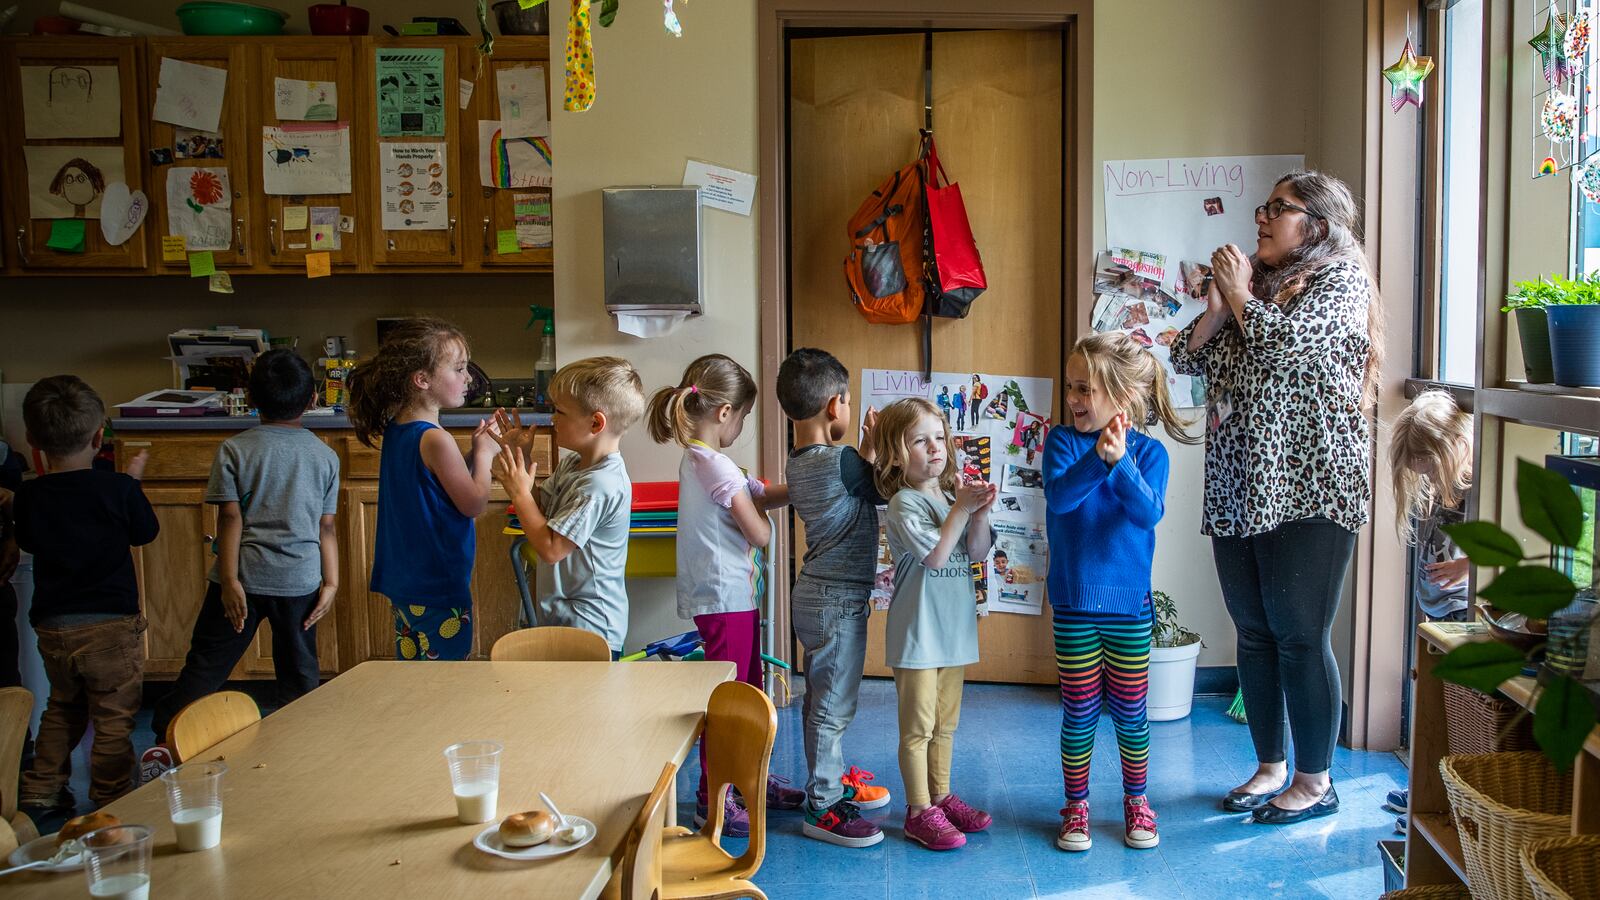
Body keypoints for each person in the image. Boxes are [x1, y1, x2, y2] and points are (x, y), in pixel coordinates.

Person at [1169, 170, 1383, 824]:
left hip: (1310, 485)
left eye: (1278, 208)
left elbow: (1292, 351)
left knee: (1299, 633)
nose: (1261, 217)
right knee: (1255, 633)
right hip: (1242, 481)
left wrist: (1236, 295)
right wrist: (1215, 309)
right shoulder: (1254, 288)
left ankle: (1316, 781)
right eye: (1264, 207)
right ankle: (1270, 767)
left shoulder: (1340, 280)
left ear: (1314, 224)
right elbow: (1185, 359)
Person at [143, 351, 340, 775]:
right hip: (301, 581)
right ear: (311, 401)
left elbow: (230, 518)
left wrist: (230, 580)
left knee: (205, 668)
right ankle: (300, 755)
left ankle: (164, 739)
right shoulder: (325, 456)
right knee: (300, 678)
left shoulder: (234, 449)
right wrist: (331, 583)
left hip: (242, 580)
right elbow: (327, 527)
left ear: (251, 398)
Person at [1043, 332, 1199, 853]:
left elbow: (1148, 512)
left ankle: (1137, 801)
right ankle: (1077, 806)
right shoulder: (1062, 443)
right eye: (1071, 387)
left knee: (1132, 713)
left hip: (1129, 610)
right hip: (1073, 606)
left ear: (1122, 397)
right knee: (1080, 712)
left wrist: (1120, 461)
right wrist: (1098, 460)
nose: (1073, 399)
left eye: (1085, 389)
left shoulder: (1150, 454)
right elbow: (1062, 499)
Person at [646, 354, 802, 836]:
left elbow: (760, 493)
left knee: (749, 692)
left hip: (728, 597)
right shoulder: (715, 466)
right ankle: (713, 798)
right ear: (724, 413)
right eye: (744, 416)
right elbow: (759, 534)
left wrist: (806, 485)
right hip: (724, 598)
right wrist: (769, 520)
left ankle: (749, 778)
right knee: (730, 702)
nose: (743, 425)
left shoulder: (704, 459)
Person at [14, 376, 158, 812]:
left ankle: (41, 785)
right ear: (100, 437)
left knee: (63, 706)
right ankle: (112, 794)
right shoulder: (116, 489)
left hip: (54, 625)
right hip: (110, 626)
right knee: (114, 715)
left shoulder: (28, 495)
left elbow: (33, 542)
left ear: (33, 441)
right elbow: (145, 532)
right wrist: (132, 483)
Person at [776, 348, 892, 848]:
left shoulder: (800, 460)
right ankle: (822, 805)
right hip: (837, 601)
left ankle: (830, 777)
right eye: (847, 401)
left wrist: (861, 447)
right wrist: (880, 444)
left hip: (815, 596)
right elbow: (882, 487)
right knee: (832, 705)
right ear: (834, 406)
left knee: (822, 699)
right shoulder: (842, 462)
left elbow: (851, 485)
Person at [872, 397, 997, 851]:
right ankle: (918, 809)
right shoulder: (903, 503)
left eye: (939, 438)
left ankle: (941, 795)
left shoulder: (948, 499)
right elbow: (937, 555)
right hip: (919, 635)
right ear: (897, 452)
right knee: (918, 727)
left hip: (953, 631)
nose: (935, 448)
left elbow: (977, 553)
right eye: (920, 440)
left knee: (946, 724)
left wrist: (977, 514)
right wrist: (962, 510)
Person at [348, 318, 498, 661]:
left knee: (414, 676)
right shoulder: (435, 439)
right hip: (438, 585)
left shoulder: (400, 429)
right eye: (459, 369)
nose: (468, 378)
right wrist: (487, 456)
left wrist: (474, 452)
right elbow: (473, 503)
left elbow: (439, 489)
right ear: (422, 379)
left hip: (407, 583)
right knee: (444, 682)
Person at [492, 357, 644, 657]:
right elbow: (541, 517)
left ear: (596, 423)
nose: (552, 419)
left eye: (559, 411)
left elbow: (550, 549)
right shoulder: (575, 465)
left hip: (591, 628)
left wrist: (519, 494)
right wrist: (520, 457)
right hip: (567, 619)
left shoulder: (600, 486)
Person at [1384, 389, 1475, 831]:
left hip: (1462, 615)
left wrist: (1466, 566)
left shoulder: (1477, 486)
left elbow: (1507, 542)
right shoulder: (1438, 486)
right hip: (1434, 612)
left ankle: (1448, 801)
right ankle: (1426, 788)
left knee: (1459, 714)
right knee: (1430, 705)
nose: (1426, 478)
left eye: (1429, 468)